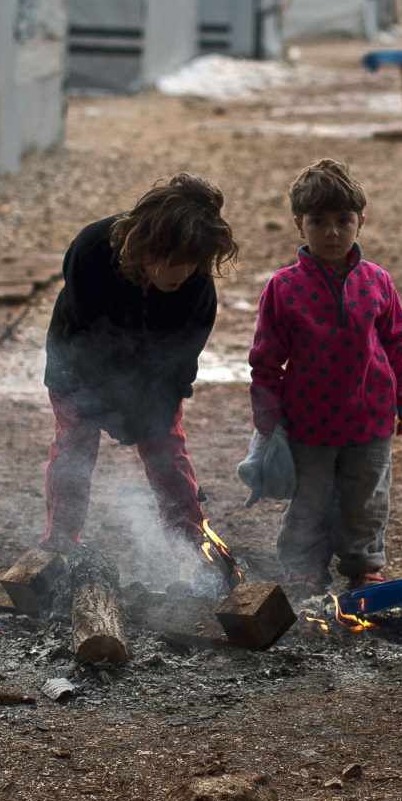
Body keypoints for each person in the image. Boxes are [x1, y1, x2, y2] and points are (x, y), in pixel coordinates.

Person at [40, 174, 240, 553]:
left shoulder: (197, 287)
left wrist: (149, 414)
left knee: (167, 450)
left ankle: (190, 545)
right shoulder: (92, 250)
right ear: (146, 246)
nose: (181, 274)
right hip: (76, 369)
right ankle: (59, 545)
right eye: (171, 262)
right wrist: (108, 406)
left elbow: (180, 363)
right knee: (74, 449)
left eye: (191, 263)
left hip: (153, 378)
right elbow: (84, 336)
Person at [248, 159, 402, 589]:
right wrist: (267, 413)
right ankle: (304, 568)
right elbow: (265, 360)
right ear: (298, 224)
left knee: (366, 499)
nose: (332, 232)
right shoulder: (284, 288)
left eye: (344, 221)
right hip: (308, 422)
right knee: (310, 502)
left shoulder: (377, 282)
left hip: (371, 417)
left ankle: (363, 566)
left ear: (361, 222)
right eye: (318, 221)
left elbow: (396, 341)